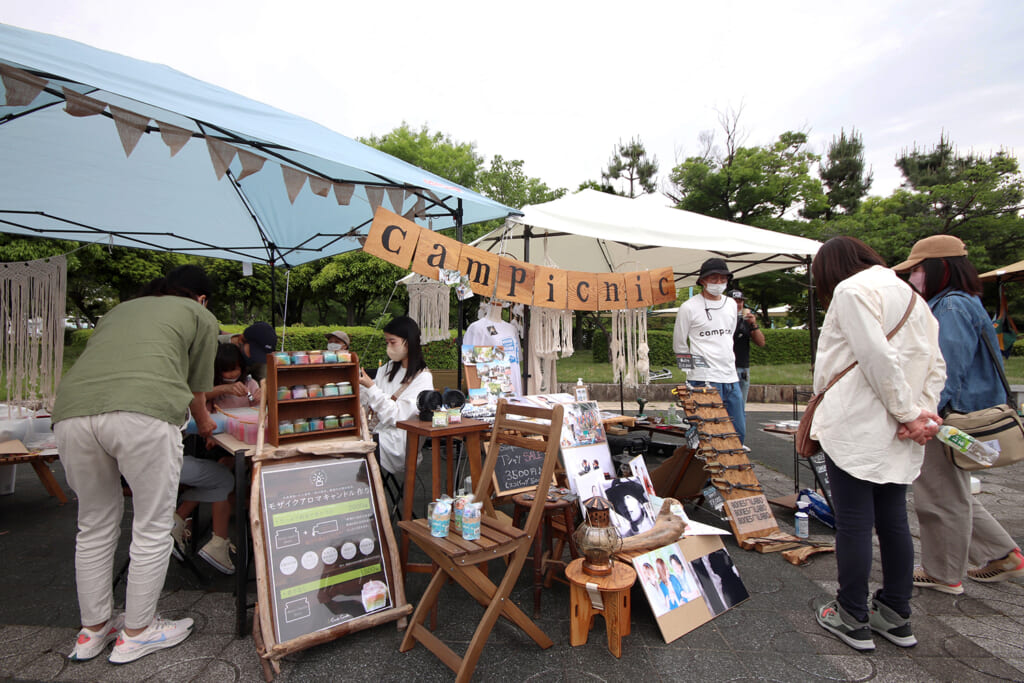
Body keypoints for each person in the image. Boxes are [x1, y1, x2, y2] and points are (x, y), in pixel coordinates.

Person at [53, 265, 219, 664]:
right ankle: (139, 631)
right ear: (201, 297)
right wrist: (208, 424)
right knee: (152, 525)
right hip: (143, 415)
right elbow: (196, 389)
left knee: (93, 524)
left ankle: (93, 630)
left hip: (73, 413)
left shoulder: (120, 310)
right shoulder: (199, 315)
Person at [808, 236, 945, 652]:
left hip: (858, 423)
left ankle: (852, 613)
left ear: (831, 269)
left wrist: (909, 414)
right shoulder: (910, 294)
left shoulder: (852, 290)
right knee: (893, 520)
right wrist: (922, 413)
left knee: (854, 522)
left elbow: (876, 357)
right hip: (899, 426)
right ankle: (896, 613)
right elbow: (934, 363)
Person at [893, 235, 1024, 593]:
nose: (913, 277)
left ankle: (943, 572)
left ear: (940, 268)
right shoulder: (964, 301)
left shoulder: (949, 307)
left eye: (917, 269)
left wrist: (924, 416)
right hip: (963, 414)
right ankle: (1002, 554)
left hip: (949, 417)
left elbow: (945, 370)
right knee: (953, 492)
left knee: (938, 496)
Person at [172, 343, 258, 575]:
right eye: (227, 370)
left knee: (234, 468)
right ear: (218, 369)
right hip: (213, 444)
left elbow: (257, 408)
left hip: (239, 441)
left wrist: (258, 396)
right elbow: (200, 408)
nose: (233, 374)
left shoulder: (249, 383)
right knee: (223, 472)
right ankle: (215, 539)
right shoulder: (207, 388)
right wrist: (221, 390)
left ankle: (179, 523)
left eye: (237, 369)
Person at [673, 258, 745, 443]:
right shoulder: (688, 307)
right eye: (714, 279)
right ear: (703, 281)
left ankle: (734, 469)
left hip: (730, 376)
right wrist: (691, 372)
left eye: (723, 279)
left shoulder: (730, 304)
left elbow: (729, 335)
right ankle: (703, 471)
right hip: (703, 378)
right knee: (707, 435)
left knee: (738, 433)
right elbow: (680, 343)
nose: (718, 283)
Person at [357, 316, 434, 475]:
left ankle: (366, 495)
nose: (389, 347)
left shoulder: (423, 378)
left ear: (408, 342)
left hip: (398, 443)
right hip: (377, 433)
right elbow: (369, 401)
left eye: (393, 342)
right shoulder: (387, 368)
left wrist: (370, 388)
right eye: (387, 342)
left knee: (353, 452)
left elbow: (397, 417)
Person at [730, 289, 766, 415]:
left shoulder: (746, 320)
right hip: (725, 368)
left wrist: (754, 325)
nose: (738, 304)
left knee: (740, 407)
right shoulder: (722, 319)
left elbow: (761, 342)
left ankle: (738, 432)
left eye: (740, 301)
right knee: (724, 407)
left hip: (742, 368)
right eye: (734, 301)